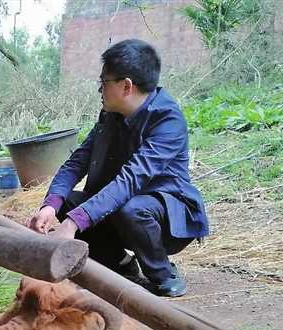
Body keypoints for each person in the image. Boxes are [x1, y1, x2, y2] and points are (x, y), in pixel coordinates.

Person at [28, 39, 208, 298]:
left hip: (165, 218)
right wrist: (51, 206)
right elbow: (76, 162)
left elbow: (130, 181)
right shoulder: (109, 116)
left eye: (103, 83)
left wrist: (71, 224)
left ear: (126, 86)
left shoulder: (167, 120)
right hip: (120, 208)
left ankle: (162, 272)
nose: (99, 89)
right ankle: (121, 262)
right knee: (69, 201)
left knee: (131, 209)